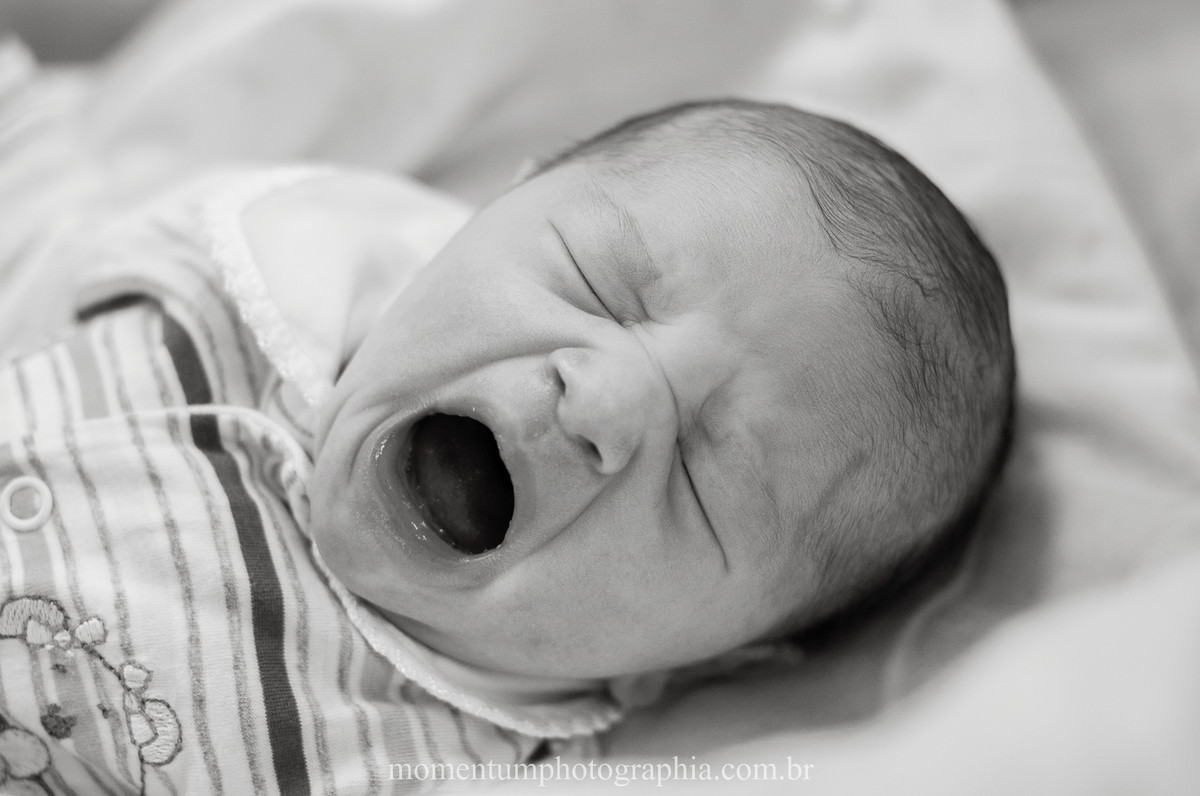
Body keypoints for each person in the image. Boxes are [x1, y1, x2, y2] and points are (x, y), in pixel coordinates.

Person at [0, 98, 1013, 793]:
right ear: (495, 207)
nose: (602, 404)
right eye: (595, 278)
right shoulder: (250, 277)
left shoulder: (422, 760)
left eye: (709, 485)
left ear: (709, 659)